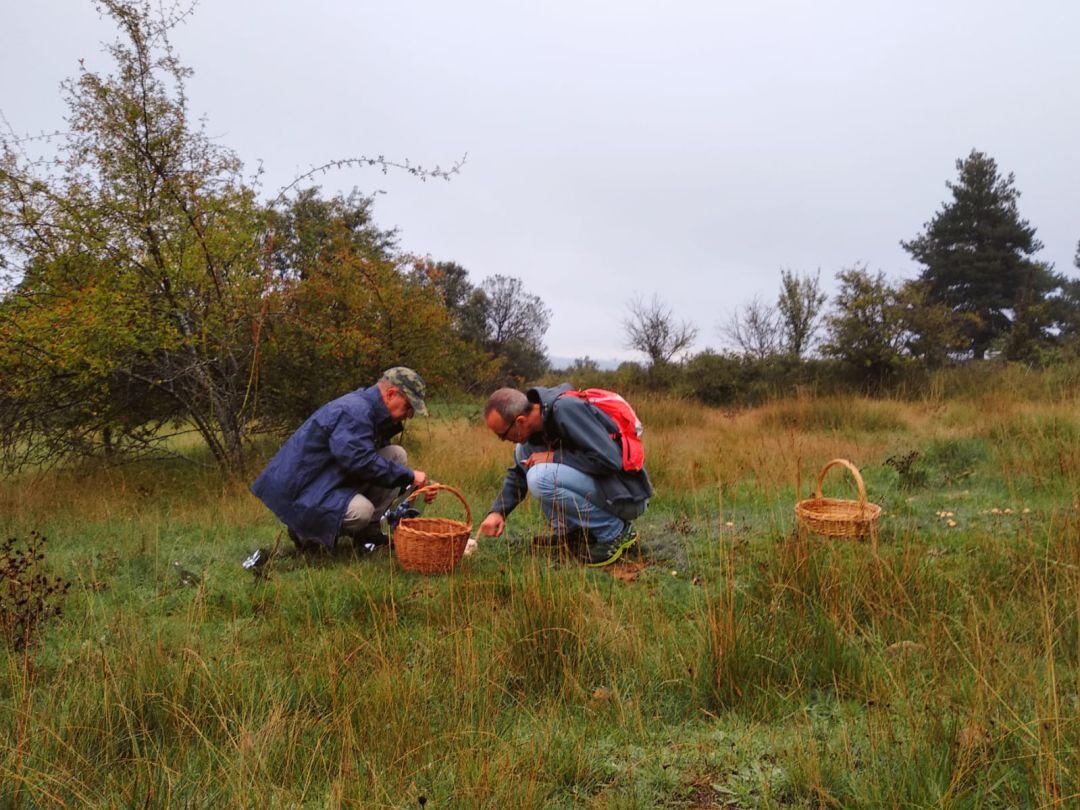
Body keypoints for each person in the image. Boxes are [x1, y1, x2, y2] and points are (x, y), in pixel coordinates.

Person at [251, 367, 432, 551]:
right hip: (303, 494)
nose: (409, 415)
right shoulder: (355, 412)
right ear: (391, 394)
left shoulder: (371, 410)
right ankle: (307, 534)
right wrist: (409, 476)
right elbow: (361, 462)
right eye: (408, 406)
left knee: (396, 455)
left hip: (327, 480)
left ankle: (368, 533)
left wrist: (415, 485)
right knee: (362, 511)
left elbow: (371, 463)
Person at [478, 384, 653, 567]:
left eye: (502, 435)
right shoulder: (536, 432)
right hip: (605, 493)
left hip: (625, 497)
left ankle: (614, 532)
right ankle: (574, 534)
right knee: (524, 454)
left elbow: (609, 460)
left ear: (520, 421)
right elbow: (519, 474)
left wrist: (553, 457)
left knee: (539, 478)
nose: (504, 440)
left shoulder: (566, 409)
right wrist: (498, 512)